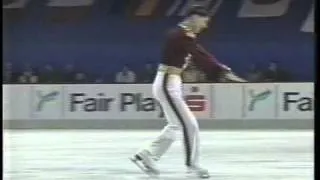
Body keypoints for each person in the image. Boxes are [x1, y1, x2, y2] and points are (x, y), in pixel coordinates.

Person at [130, 5, 246, 178]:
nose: (205, 26)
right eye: (204, 21)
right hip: (167, 83)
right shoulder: (180, 35)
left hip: (170, 82)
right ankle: (192, 165)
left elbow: (197, 55)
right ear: (193, 17)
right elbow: (200, 55)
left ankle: (146, 155)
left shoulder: (182, 36)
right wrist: (221, 71)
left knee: (175, 124)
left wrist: (220, 70)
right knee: (190, 125)